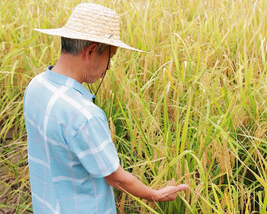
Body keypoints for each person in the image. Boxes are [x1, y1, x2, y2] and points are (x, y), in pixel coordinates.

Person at [23, 3, 188, 214]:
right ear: (91, 51)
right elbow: (114, 176)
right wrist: (154, 194)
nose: (109, 66)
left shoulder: (36, 85)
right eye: (110, 56)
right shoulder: (84, 115)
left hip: (46, 206)